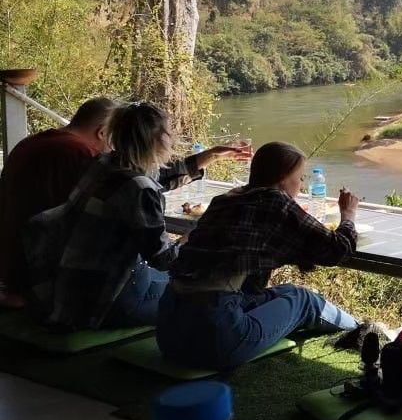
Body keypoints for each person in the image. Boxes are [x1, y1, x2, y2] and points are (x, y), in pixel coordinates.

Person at [28, 101, 247, 329]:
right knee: (204, 295)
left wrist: (210, 156)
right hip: (104, 301)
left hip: (73, 288)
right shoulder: (140, 189)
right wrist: (197, 234)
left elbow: (154, 177)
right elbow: (164, 260)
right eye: (169, 133)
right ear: (158, 139)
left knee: (189, 283)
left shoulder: (103, 164)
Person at [156, 141, 367, 370]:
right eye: (300, 177)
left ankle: (359, 328)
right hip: (214, 339)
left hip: (169, 334)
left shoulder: (225, 200)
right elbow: (337, 250)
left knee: (290, 292)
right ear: (283, 178)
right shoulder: (275, 202)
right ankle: (364, 332)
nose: (302, 184)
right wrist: (348, 214)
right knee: (305, 300)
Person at [0, 97, 115, 309]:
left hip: (10, 268)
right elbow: (117, 197)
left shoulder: (29, 143)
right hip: (40, 278)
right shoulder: (78, 153)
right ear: (102, 133)